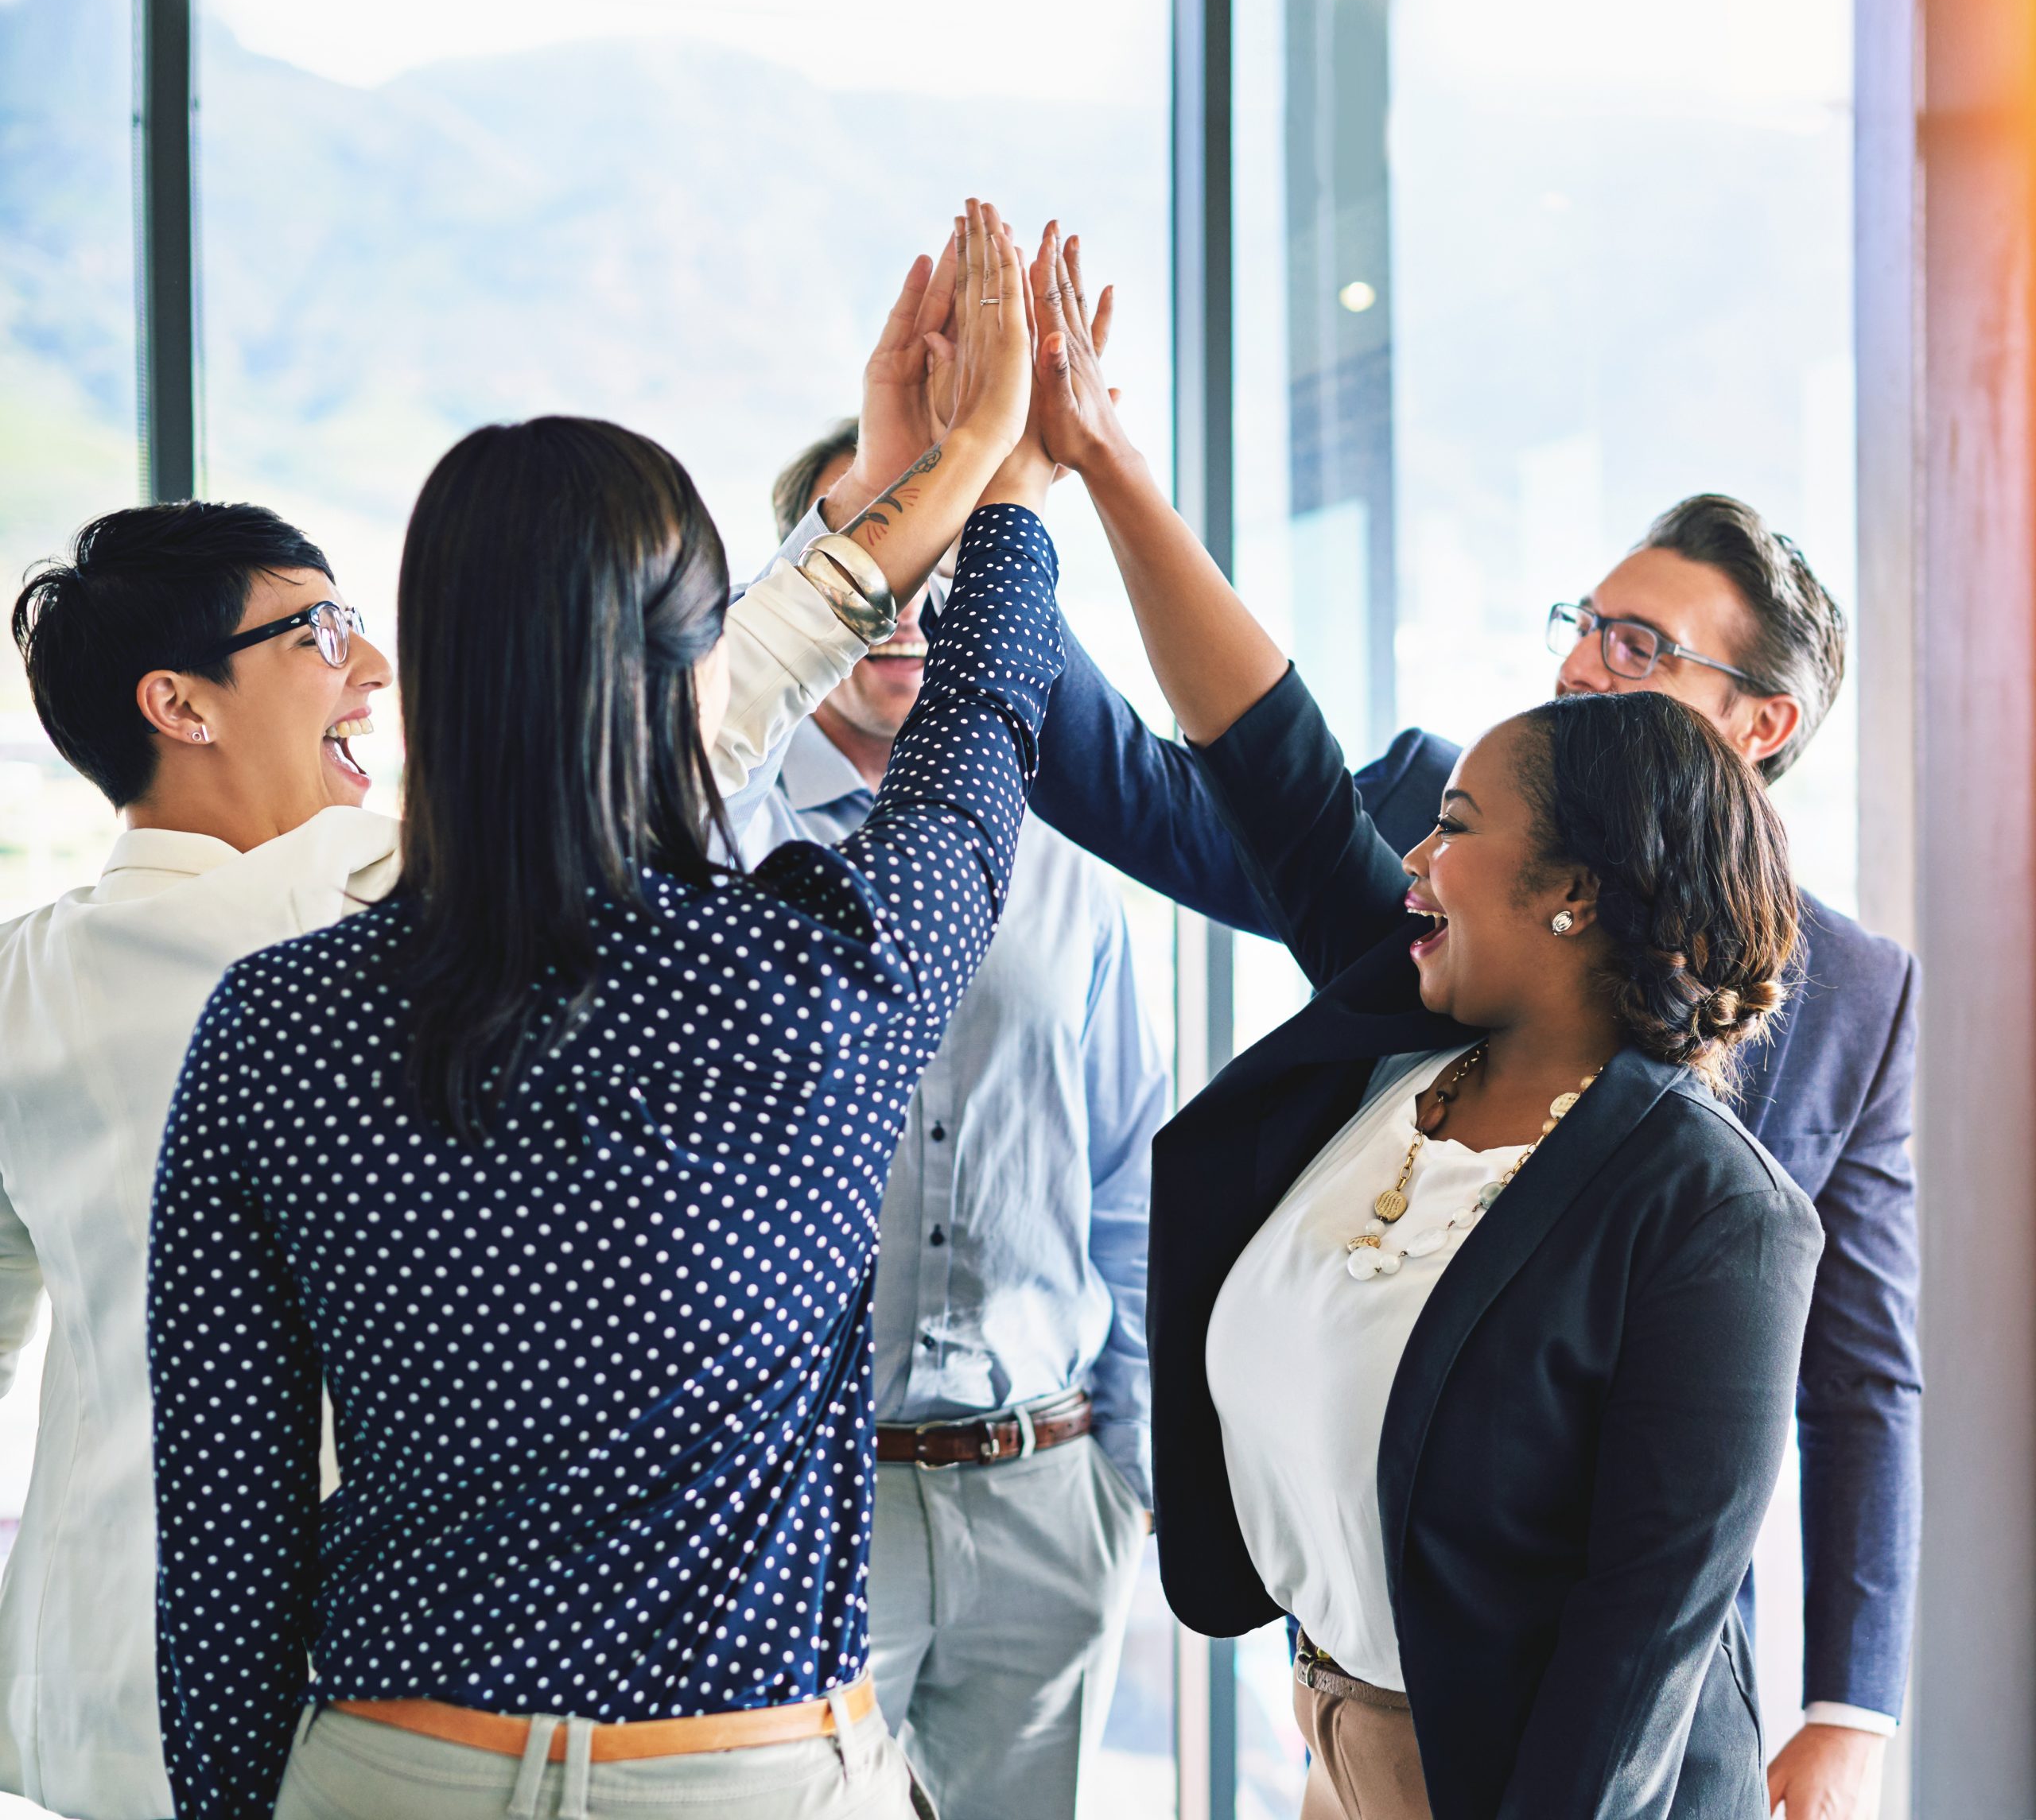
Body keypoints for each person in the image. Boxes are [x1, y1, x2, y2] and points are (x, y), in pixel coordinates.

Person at [0, 231, 994, 1820]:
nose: (372, 669)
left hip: (102, 1684)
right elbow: (656, 730)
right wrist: (922, 503)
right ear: (177, 704)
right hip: (368, 1688)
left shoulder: (25, 978)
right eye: (317, 634)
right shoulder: (364, 929)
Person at [1023, 250, 1917, 1820]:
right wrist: (1082, 470)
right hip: (1344, 1720)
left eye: (1448, 829)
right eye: (1587, 620)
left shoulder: (1723, 1188)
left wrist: (1853, 1698)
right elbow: (1268, 759)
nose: (1412, 859)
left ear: (1569, 888)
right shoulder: (1418, 1003)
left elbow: (1821, 1417)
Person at [748, 419, 1164, 1820]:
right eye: (881, 554)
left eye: (951, 561)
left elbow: (1129, 1180)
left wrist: (1129, 1476)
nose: (913, 606)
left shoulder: (1066, 865)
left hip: (1043, 1492)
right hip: (797, 1498)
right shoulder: (715, 845)